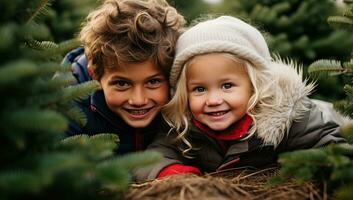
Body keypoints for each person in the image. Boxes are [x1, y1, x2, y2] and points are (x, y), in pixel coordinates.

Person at [134, 16, 346, 181]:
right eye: (199, 89)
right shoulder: (184, 127)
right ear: (184, 94)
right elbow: (154, 157)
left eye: (227, 86)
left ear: (255, 87)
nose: (213, 100)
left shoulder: (291, 117)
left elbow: (329, 148)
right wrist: (174, 173)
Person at [62, 0, 185, 154]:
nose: (138, 101)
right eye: (122, 84)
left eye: (153, 82)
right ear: (95, 76)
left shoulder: (189, 99)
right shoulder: (69, 105)